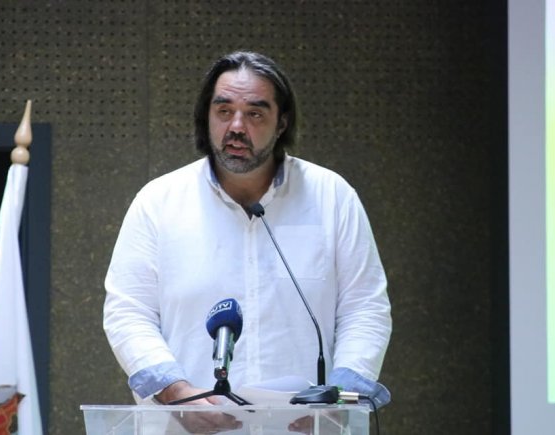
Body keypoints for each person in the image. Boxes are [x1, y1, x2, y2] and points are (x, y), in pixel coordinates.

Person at [103, 51, 392, 408]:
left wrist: (336, 400)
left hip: (305, 426)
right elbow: (128, 312)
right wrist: (175, 392)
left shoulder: (332, 196)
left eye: (255, 113)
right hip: (188, 425)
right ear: (206, 117)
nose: (237, 127)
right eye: (224, 111)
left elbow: (365, 308)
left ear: (282, 123)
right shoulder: (158, 202)